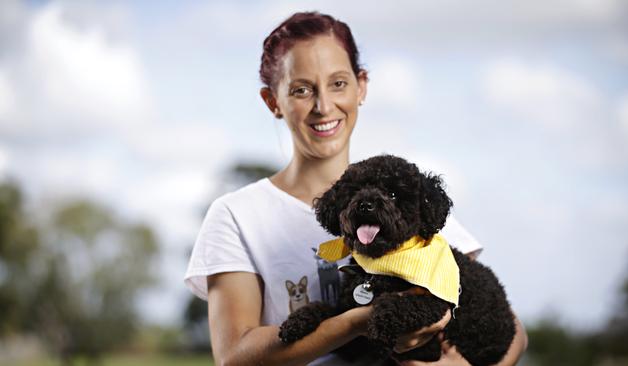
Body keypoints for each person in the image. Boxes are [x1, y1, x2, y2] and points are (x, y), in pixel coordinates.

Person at [184, 11, 528, 366]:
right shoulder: (236, 215)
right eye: (301, 90)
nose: (323, 106)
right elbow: (234, 357)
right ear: (273, 100)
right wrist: (356, 322)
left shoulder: (409, 205)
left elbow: (511, 329)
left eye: (338, 83)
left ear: (361, 86)